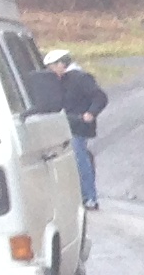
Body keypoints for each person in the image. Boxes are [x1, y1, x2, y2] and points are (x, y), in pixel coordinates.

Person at [44, 49, 107, 211]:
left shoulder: (81, 78)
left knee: (79, 160)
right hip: (62, 125)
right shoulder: (59, 80)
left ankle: (90, 197)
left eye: (52, 66)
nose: (50, 70)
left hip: (77, 127)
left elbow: (100, 96)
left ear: (61, 64)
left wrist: (90, 113)